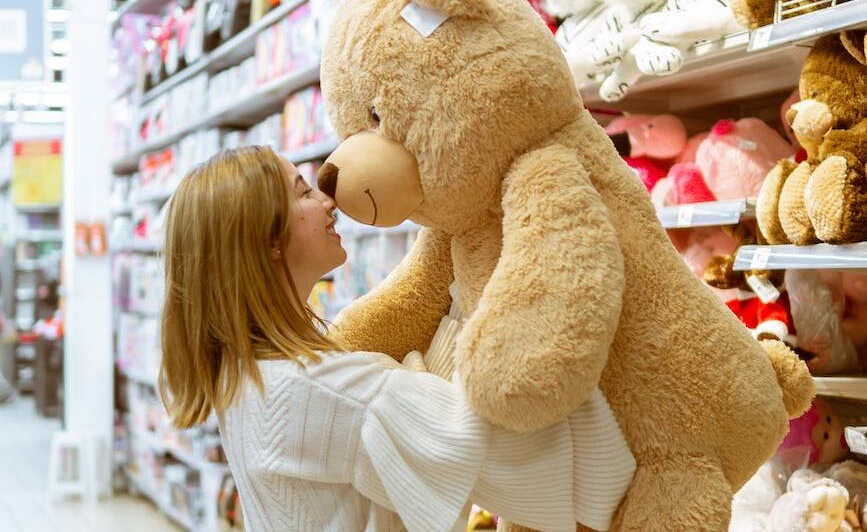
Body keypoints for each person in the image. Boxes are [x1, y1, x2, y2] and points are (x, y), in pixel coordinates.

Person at [159, 145, 636, 532]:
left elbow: (399, 407)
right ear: (267, 241)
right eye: (303, 192)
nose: (328, 202)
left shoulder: (248, 371)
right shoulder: (314, 387)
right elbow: (486, 430)